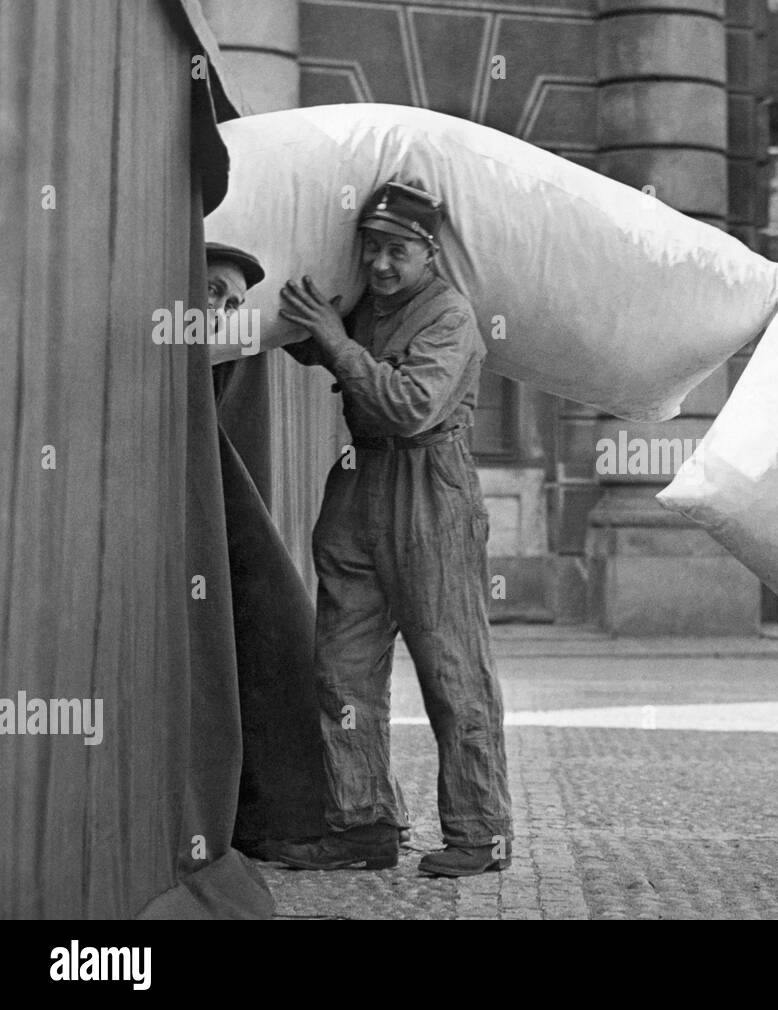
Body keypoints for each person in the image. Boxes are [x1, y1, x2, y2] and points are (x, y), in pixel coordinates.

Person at [274, 181, 513, 877]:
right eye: (371, 248)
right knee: (341, 673)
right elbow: (307, 341)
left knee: (451, 668)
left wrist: (335, 342)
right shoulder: (364, 308)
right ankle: (363, 825)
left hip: (429, 489)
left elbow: (410, 407)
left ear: (429, 253)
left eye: (397, 251)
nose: (380, 264)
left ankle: (480, 830)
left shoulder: (449, 316)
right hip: (357, 486)